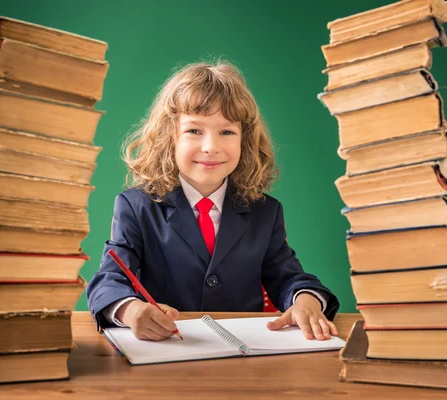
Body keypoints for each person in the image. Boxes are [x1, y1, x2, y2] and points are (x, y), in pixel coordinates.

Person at [86, 60, 339, 342]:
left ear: (245, 141)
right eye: (194, 130)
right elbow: (108, 280)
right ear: (170, 137)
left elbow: (288, 277)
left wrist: (307, 299)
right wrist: (130, 311)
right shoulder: (136, 207)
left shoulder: (265, 212)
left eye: (227, 132)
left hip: (245, 357)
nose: (210, 147)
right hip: (168, 352)